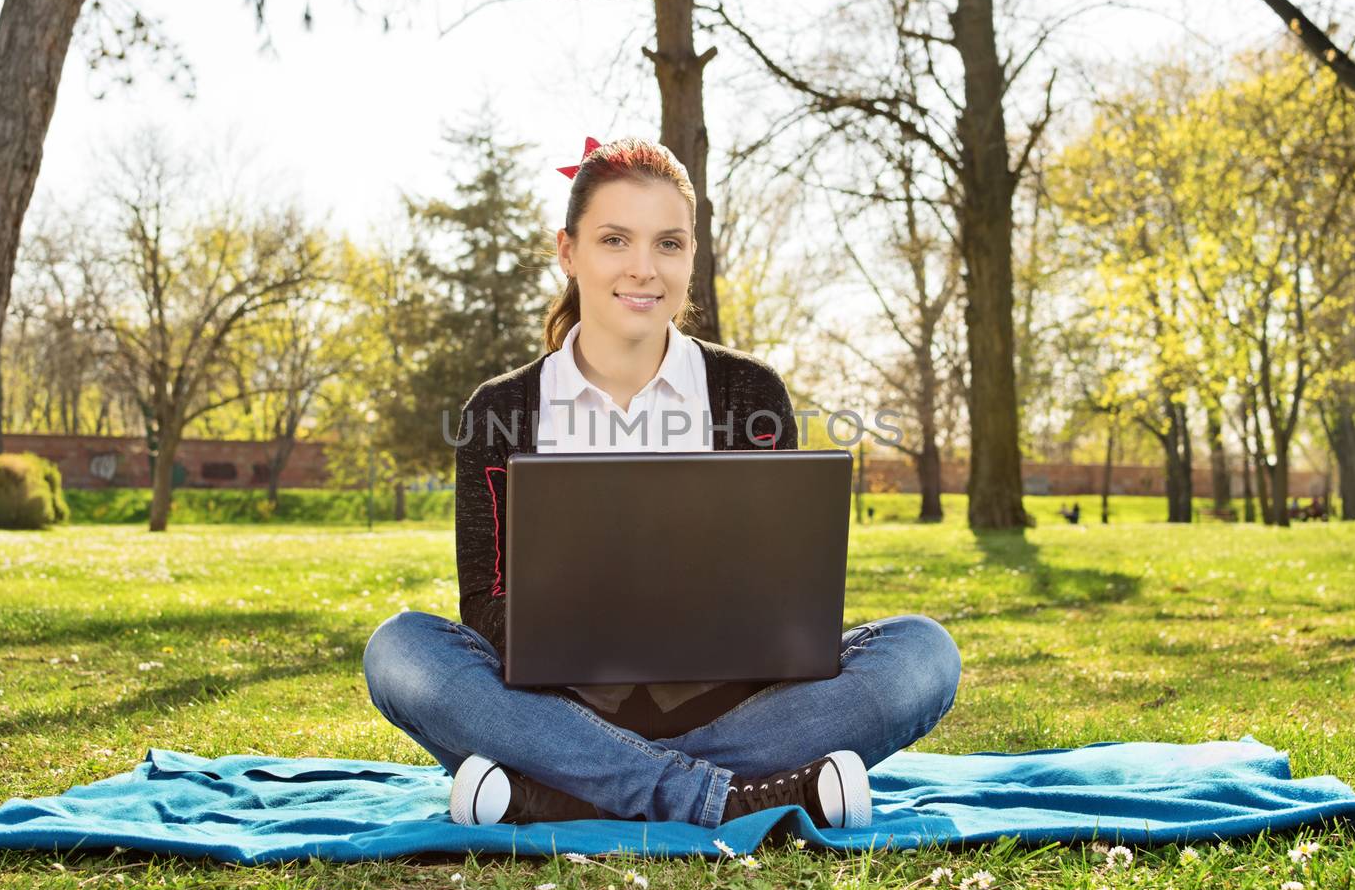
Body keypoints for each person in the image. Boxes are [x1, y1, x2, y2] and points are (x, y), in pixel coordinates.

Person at [362, 137, 962, 831]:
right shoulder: (498, 412)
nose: (643, 269)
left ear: (690, 257)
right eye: (615, 239)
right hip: (556, 708)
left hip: (731, 712)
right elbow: (486, 608)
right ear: (568, 252)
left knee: (923, 654)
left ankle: (559, 791)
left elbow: (782, 603)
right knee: (401, 649)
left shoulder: (749, 392)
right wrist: (590, 633)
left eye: (669, 244)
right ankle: (726, 797)